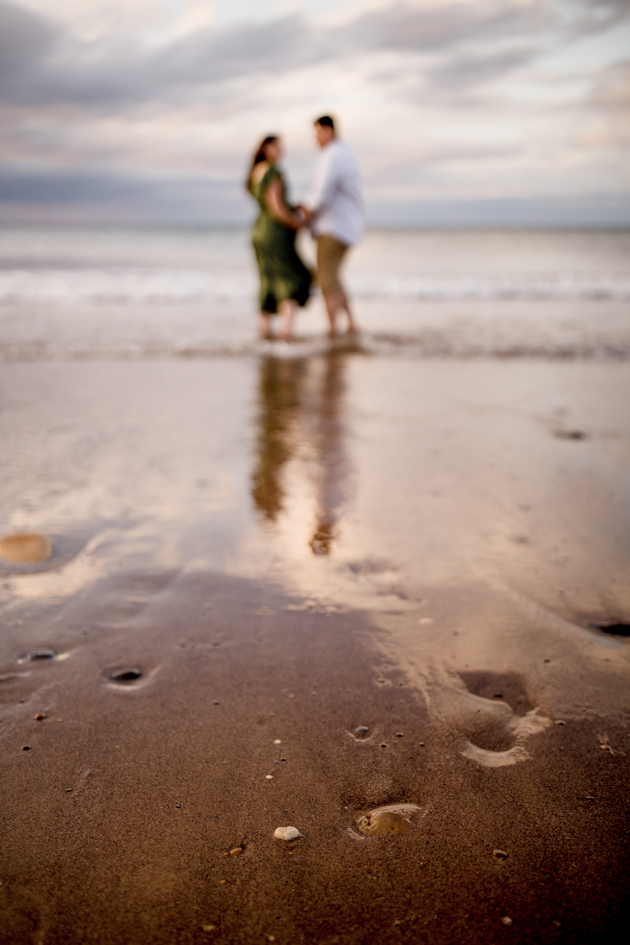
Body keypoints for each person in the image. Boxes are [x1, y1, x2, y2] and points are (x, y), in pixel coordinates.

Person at [301, 116, 363, 336]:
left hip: (333, 227)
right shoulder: (344, 153)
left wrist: (302, 215)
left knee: (326, 279)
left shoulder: (333, 156)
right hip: (346, 226)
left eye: (318, 133)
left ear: (328, 131)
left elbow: (320, 195)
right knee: (334, 277)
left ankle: (333, 329)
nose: (316, 138)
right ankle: (351, 323)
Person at [246, 135, 312, 340]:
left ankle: (264, 329)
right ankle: (287, 329)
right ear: (266, 148)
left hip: (258, 230)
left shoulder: (255, 172)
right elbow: (276, 208)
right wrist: (297, 222)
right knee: (293, 275)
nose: (280, 151)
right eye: (277, 147)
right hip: (275, 232)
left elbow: (266, 204)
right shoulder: (274, 171)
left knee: (267, 278)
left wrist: (291, 207)